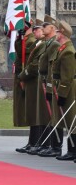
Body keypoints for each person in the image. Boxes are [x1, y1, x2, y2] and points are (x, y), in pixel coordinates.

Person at [18, 19, 46, 153]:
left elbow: (35, 66)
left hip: (36, 82)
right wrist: (19, 37)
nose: (35, 31)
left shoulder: (43, 44)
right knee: (32, 113)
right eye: (33, 29)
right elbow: (21, 53)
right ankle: (32, 141)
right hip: (32, 82)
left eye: (38, 29)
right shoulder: (36, 43)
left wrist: (22, 75)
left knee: (37, 114)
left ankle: (37, 142)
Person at [37, 15, 63, 157]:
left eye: (45, 26)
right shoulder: (48, 43)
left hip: (51, 82)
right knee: (52, 115)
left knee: (55, 115)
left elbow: (51, 67)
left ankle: (56, 146)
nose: (42, 29)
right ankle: (52, 145)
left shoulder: (54, 45)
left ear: (52, 28)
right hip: (45, 81)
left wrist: (48, 85)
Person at [52, 21, 76, 161]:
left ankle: (73, 150)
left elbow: (67, 77)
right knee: (68, 120)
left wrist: (62, 94)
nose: (55, 34)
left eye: (57, 32)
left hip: (69, 90)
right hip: (62, 87)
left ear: (62, 34)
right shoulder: (62, 49)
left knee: (71, 120)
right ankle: (71, 150)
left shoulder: (68, 52)